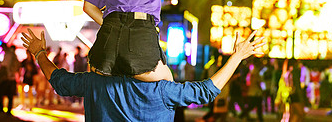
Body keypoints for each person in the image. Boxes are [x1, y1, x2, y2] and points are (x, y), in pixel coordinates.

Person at [21, 28, 265, 121]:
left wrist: (40, 53)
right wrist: (237, 56)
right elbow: (206, 91)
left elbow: (59, 81)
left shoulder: (94, 83)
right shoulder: (160, 91)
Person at [0, 44, 20, 115]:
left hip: (6, 77)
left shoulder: (8, 54)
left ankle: (2, 109)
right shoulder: (12, 54)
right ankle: (8, 110)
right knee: (10, 95)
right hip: (11, 77)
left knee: (1, 93)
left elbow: (5, 65)